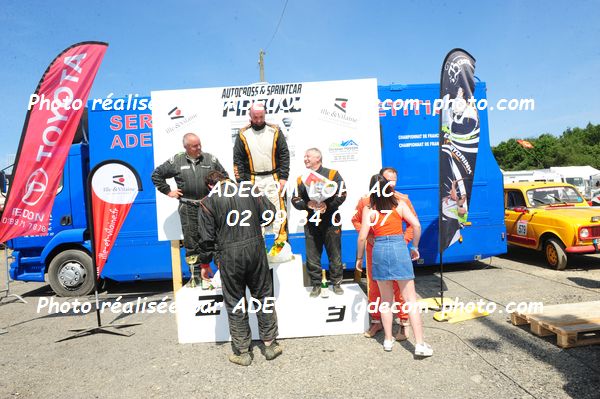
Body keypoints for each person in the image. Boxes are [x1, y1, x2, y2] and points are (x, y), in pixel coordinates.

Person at [197, 170, 281, 366]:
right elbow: (270, 215)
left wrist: (204, 264)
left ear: (210, 185)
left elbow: (206, 239)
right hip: (255, 250)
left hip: (230, 255)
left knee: (235, 300)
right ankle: (269, 344)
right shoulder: (250, 190)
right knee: (263, 295)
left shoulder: (207, 202)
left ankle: (243, 352)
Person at [356, 174, 432, 357]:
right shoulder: (399, 205)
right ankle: (420, 344)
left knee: (385, 300)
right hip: (399, 248)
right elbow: (416, 225)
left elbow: (362, 236)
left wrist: (359, 258)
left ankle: (388, 340)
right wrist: (414, 247)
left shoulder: (369, 209)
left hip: (379, 250)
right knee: (410, 300)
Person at [151, 133, 228, 287]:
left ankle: (223, 275)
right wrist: (168, 191)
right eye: (194, 146)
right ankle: (197, 278)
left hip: (209, 206)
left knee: (216, 240)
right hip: (188, 207)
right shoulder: (176, 161)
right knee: (192, 243)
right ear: (186, 147)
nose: (199, 148)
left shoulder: (210, 159)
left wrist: (218, 194)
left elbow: (225, 178)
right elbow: (156, 175)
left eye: (199, 144)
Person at [352, 167, 417, 340]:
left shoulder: (401, 200)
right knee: (374, 287)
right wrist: (370, 235)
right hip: (374, 249)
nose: (391, 183)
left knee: (400, 288)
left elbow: (413, 224)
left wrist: (402, 241)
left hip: (397, 248)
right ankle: (376, 322)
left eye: (394, 180)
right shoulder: (366, 201)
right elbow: (356, 221)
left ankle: (404, 324)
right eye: (387, 179)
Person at [233, 102, 290, 247]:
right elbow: (238, 160)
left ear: (265, 115)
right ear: (250, 116)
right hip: (252, 179)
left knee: (279, 212)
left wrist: (283, 177)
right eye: (255, 117)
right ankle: (259, 248)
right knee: (254, 214)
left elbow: (284, 154)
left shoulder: (275, 130)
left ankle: (280, 246)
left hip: (274, 177)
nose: (258, 120)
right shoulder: (242, 134)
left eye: (261, 117)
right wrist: (242, 182)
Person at [292, 148, 346, 297]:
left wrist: (327, 205)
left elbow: (342, 194)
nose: (305, 159)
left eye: (308, 156)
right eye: (304, 156)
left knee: (335, 254)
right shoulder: (301, 178)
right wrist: (307, 204)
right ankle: (316, 284)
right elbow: (295, 199)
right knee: (312, 255)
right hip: (312, 222)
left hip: (331, 220)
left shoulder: (333, 174)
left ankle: (336, 283)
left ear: (318, 158)